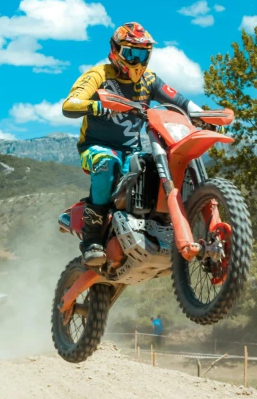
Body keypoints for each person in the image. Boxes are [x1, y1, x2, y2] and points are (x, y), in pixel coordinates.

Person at [62, 22, 204, 266]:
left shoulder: (149, 80)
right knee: (107, 164)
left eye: (142, 54)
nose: (137, 61)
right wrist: (94, 105)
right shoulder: (99, 75)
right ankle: (92, 240)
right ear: (116, 50)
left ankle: (155, 228)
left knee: (151, 171)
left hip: (131, 149)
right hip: (95, 145)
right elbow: (69, 104)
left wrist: (203, 115)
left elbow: (180, 100)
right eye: (131, 53)